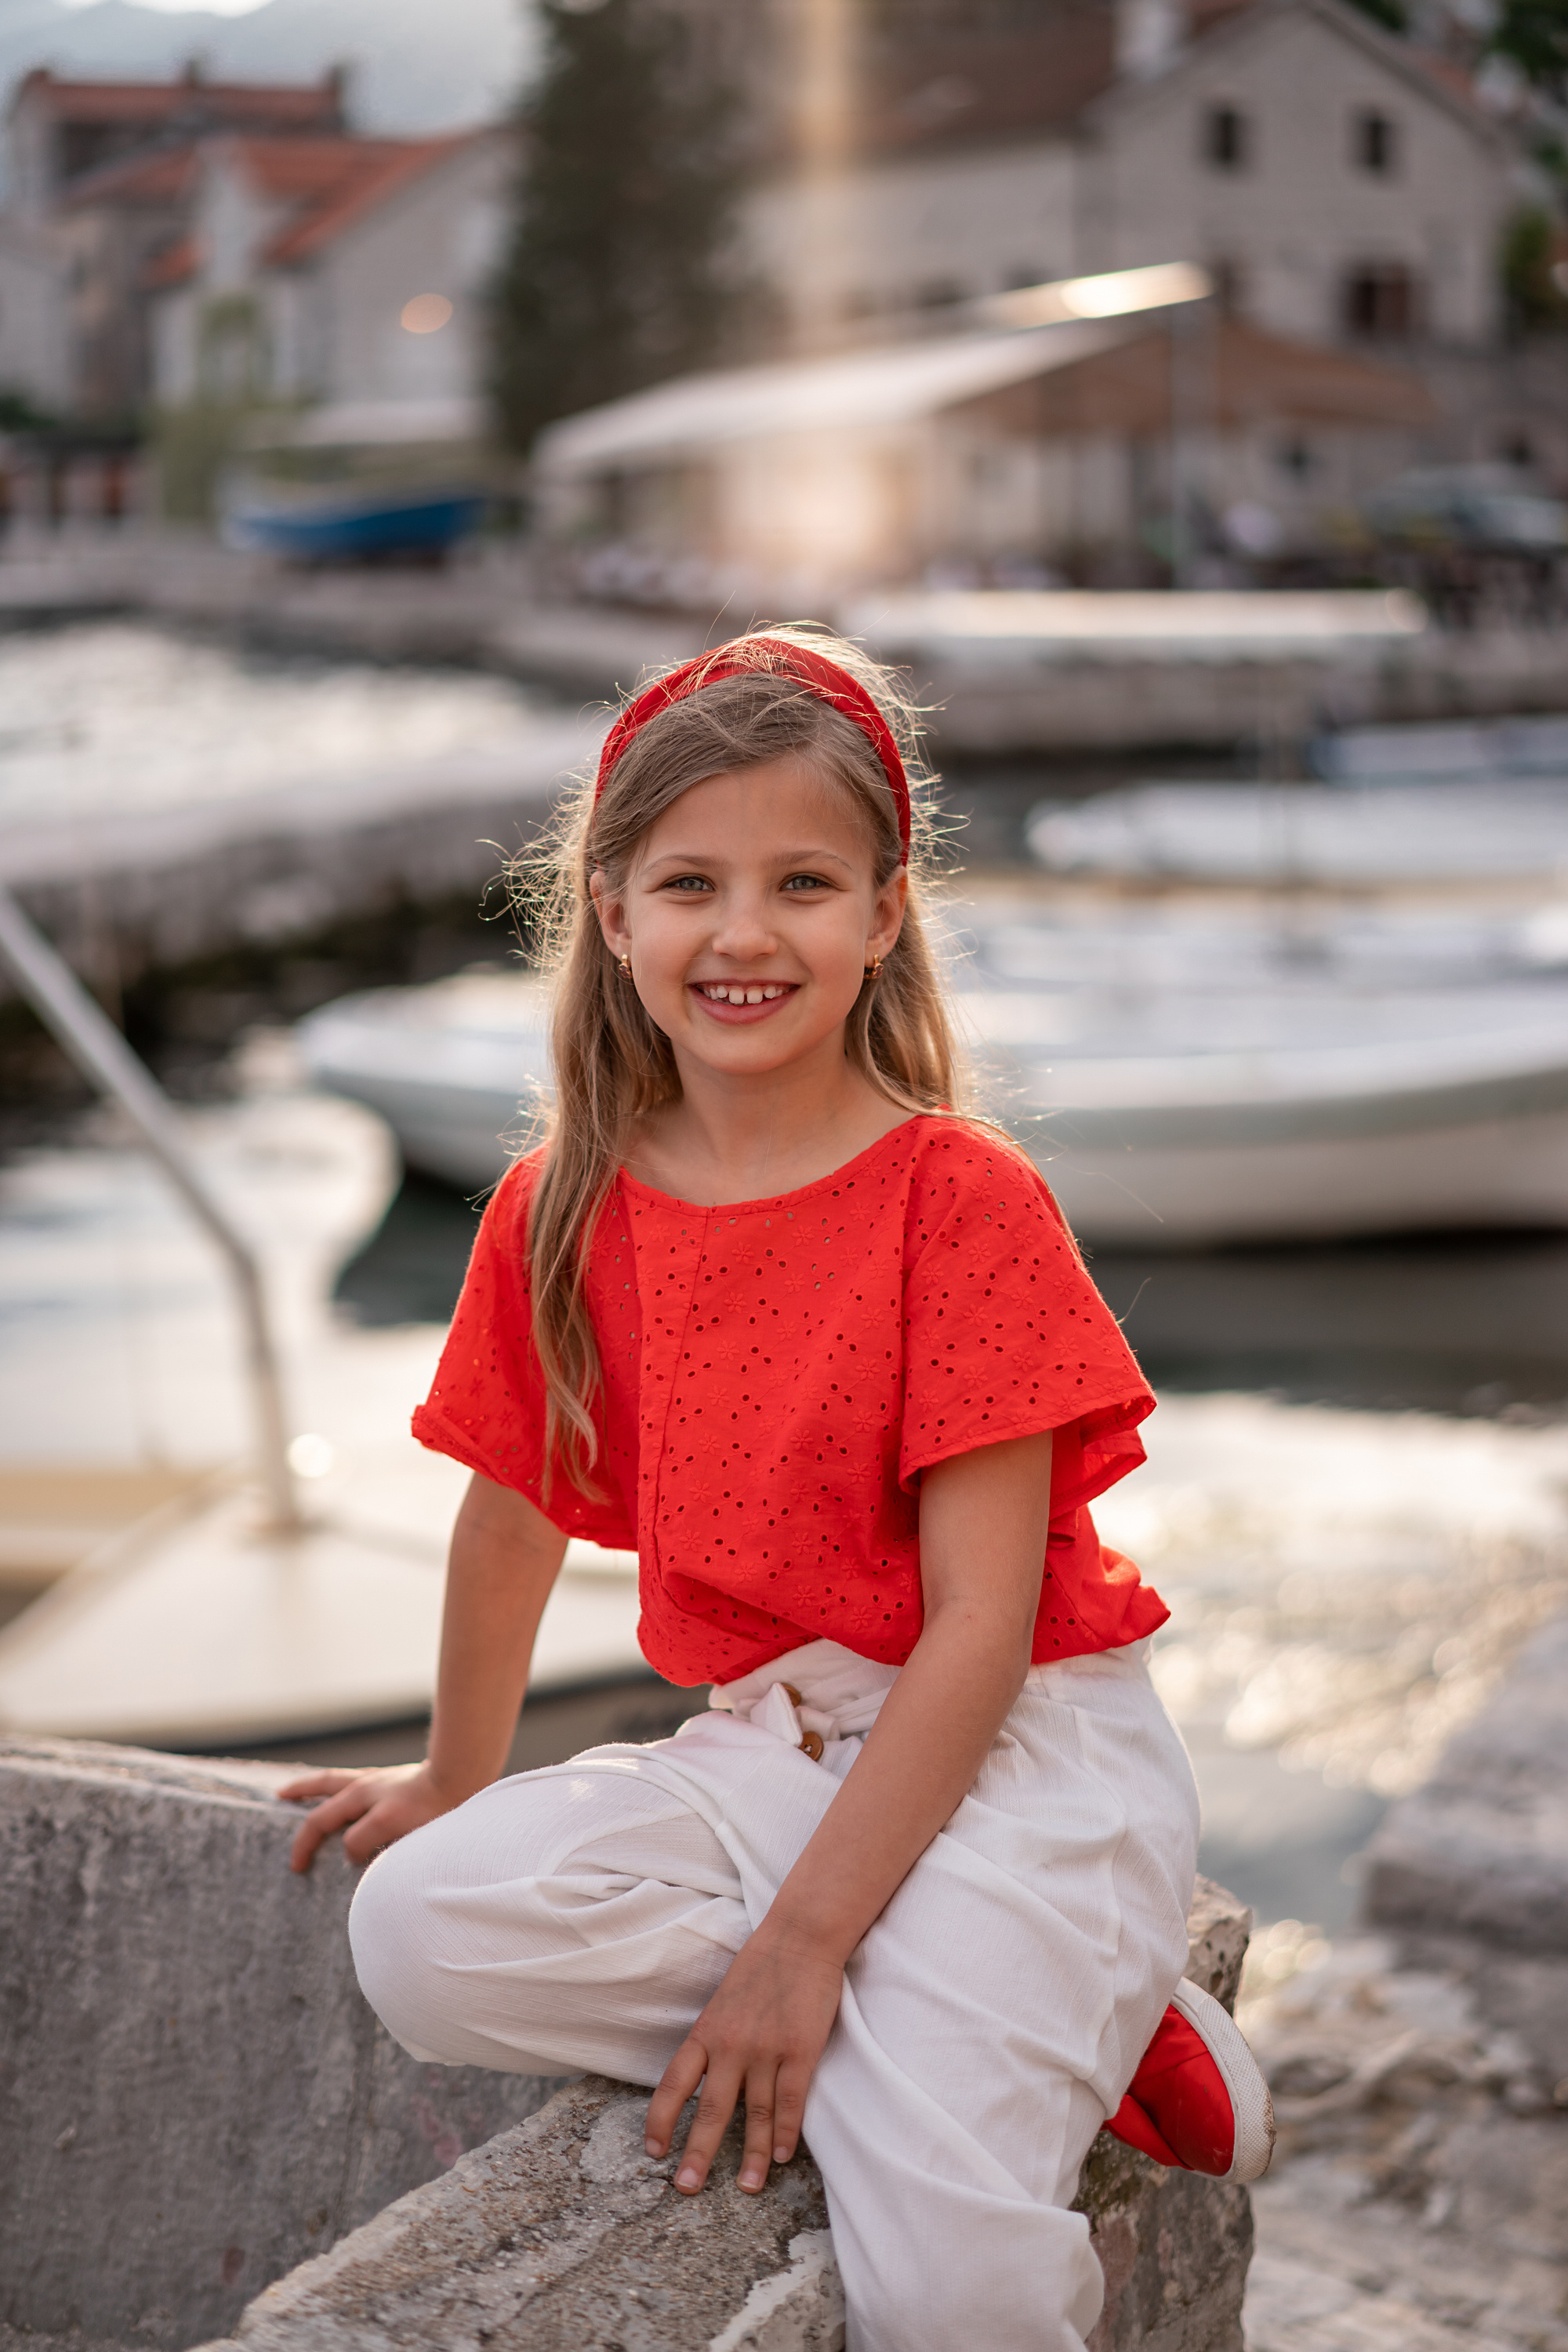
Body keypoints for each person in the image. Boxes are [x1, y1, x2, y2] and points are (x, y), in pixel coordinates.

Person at [280, 630, 1271, 2352]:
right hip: (777, 1744)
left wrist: (804, 1951)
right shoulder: (559, 1208)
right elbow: (510, 1517)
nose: (743, 935)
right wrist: (451, 1775)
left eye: (803, 883)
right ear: (610, 913)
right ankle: (1034, 2011)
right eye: (690, 885)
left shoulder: (955, 1202)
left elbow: (977, 1621)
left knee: (947, 2279)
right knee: (420, 1935)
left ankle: (1045, 1974)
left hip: (1019, 1745)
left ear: (883, 915)